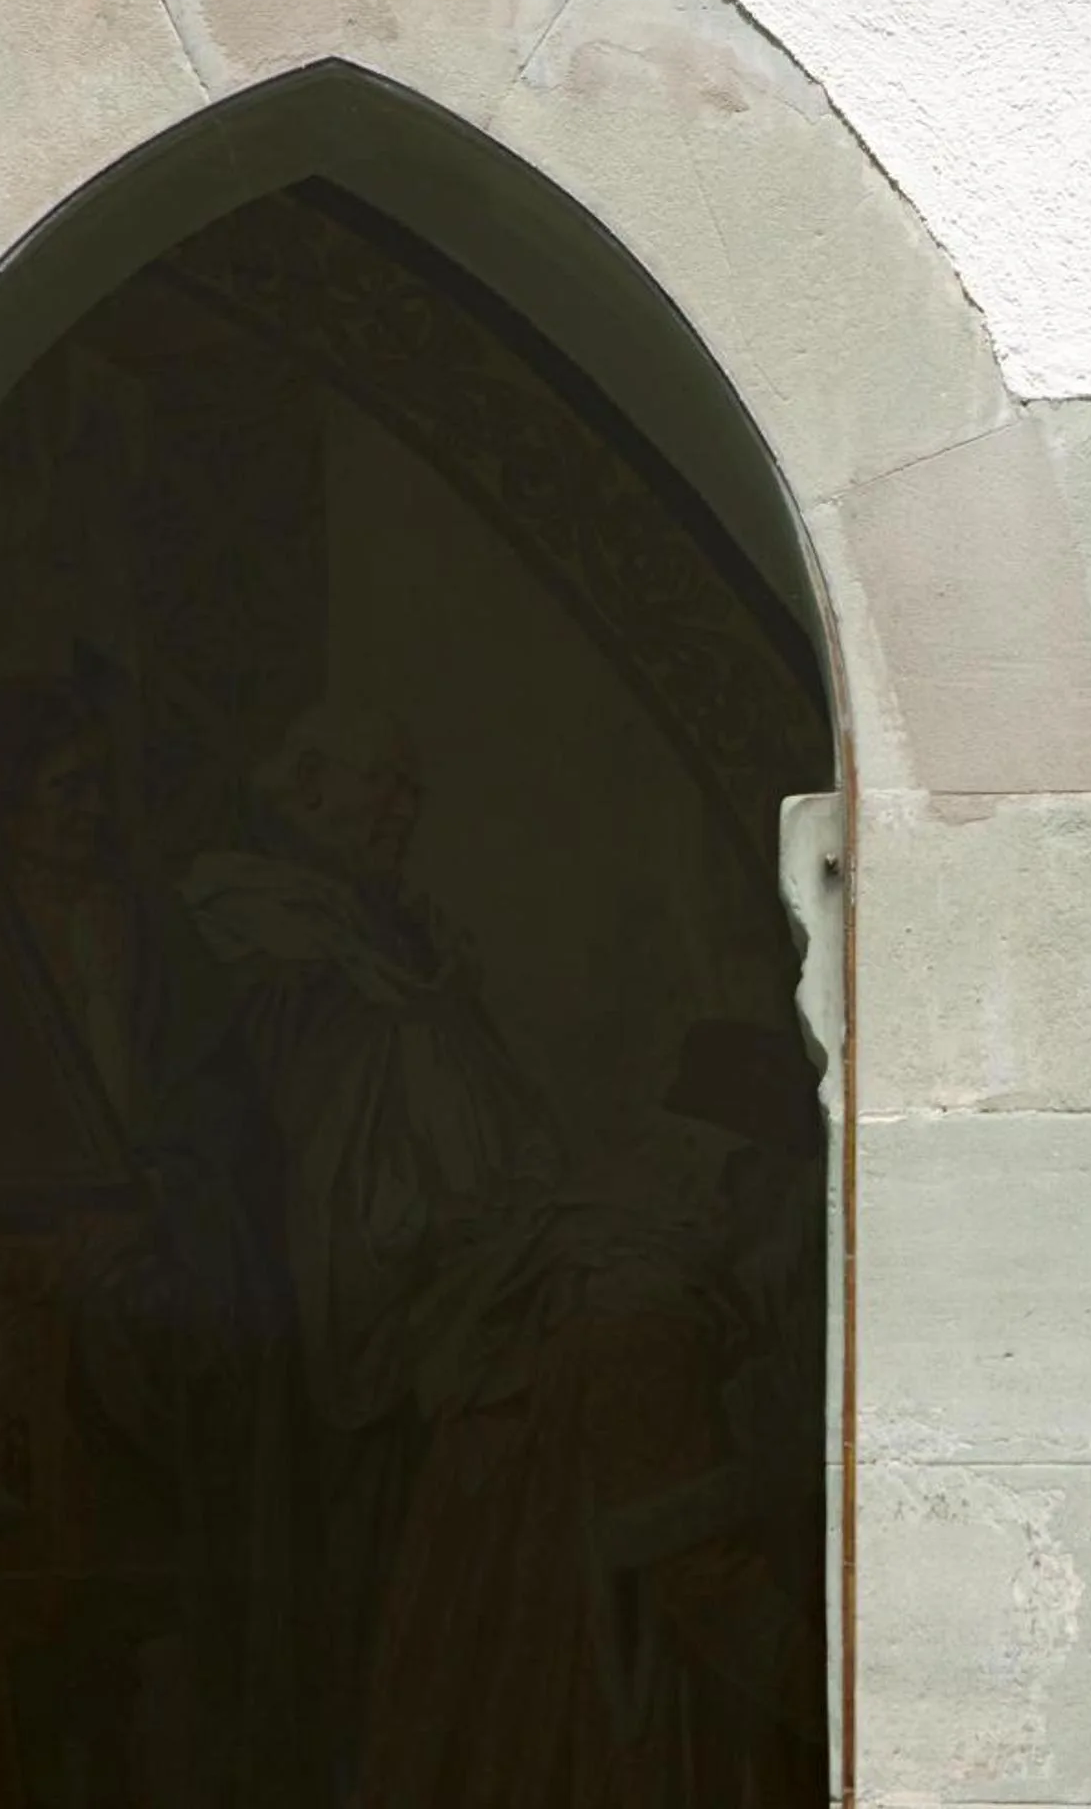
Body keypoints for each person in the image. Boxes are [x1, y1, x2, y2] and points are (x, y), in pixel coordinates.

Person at [183, 703, 825, 1805]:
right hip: (575, 1694)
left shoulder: (608, 1283)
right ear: (727, 1181)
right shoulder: (638, 1308)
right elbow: (692, 1569)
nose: (401, 809)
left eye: (410, 790)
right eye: (378, 784)